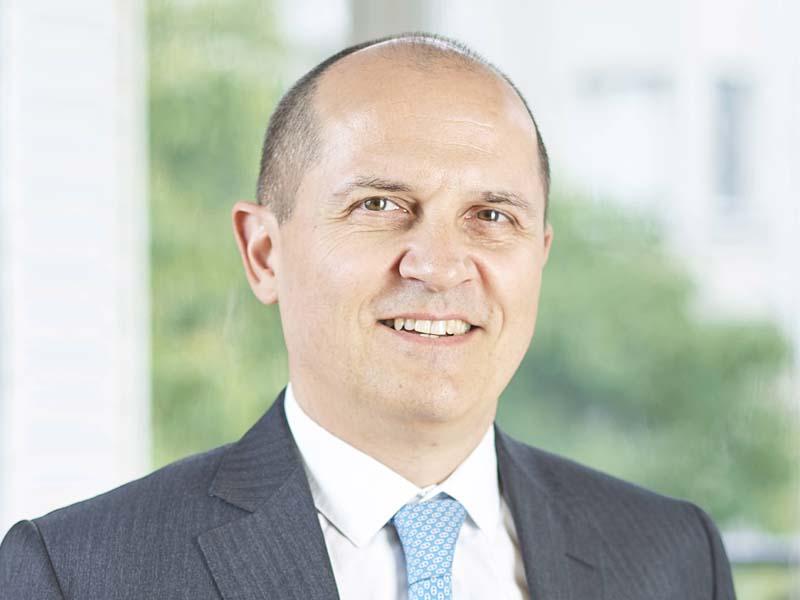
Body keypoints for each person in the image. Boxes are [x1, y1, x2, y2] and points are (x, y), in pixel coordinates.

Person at [0, 33, 736, 599]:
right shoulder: (79, 572)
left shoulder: (672, 558)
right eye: (379, 205)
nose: (439, 266)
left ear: (539, 255)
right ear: (264, 252)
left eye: (491, 215)